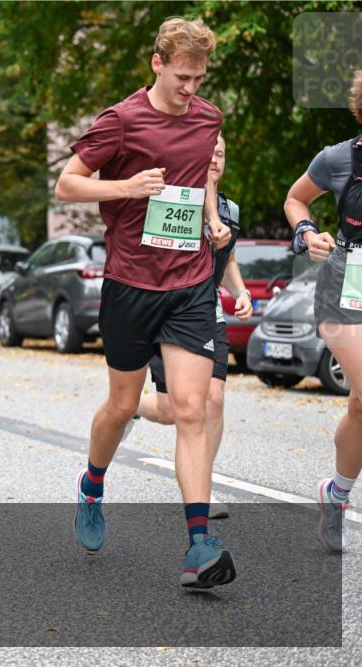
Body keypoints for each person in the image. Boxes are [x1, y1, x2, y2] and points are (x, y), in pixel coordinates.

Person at [54, 17, 235, 589]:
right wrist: (126, 187)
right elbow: (67, 183)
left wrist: (212, 217)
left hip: (188, 284)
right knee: (121, 404)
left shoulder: (209, 119)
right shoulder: (123, 120)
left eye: (200, 78)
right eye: (183, 76)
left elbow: (201, 180)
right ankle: (92, 483)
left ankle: (199, 545)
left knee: (193, 406)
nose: (191, 89)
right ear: (157, 63)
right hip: (131, 284)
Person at [133, 134, 252, 520]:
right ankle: (133, 406)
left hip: (209, 311)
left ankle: (203, 487)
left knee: (213, 401)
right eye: (210, 151)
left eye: (222, 153)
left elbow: (228, 259)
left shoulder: (230, 209)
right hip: (167, 310)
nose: (215, 158)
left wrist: (241, 291)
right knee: (174, 410)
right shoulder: (174, 197)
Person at [283, 69, 362, 553]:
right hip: (344, 288)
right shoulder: (338, 158)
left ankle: (336, 494)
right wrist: (308, 233)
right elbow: (295, 198)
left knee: (360, 404)